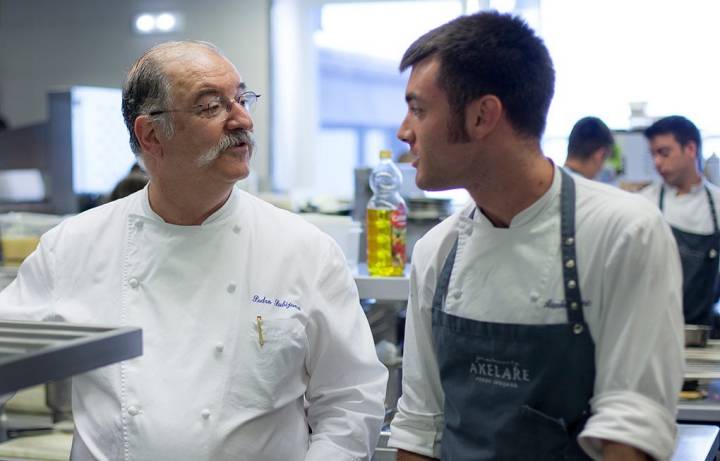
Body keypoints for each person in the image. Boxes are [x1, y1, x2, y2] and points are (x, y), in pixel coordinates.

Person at [0, 40, 387, 460]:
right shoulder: (73, 247)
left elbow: (350, 401)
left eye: (241, 99)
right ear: (150, 135)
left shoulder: (304, 250)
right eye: (211, 106)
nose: (242, 120)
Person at [387, 12, 683, 461]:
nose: (404, 131)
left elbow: (631, 420)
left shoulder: (622, 232)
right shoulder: (436, 252)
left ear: (483, 115)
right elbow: (418, 424)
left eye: (419, 109)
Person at [640, 115, 720, 326]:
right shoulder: (643, 204)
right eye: (653, 154)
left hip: (704, 331)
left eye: (664, 153)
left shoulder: (718, 205)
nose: (657, 162)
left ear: (691, 149)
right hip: (653, 330)